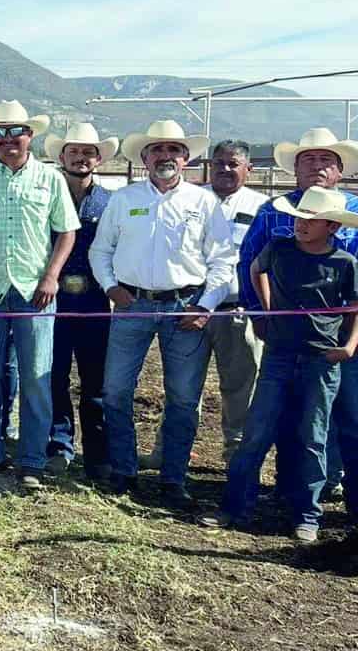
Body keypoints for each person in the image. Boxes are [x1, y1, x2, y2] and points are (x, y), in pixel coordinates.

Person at [90, 120, 234, 507]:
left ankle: (174, 479)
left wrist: (205, 305)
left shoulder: (204, 203)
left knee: (184, 398)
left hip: (184, 307)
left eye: (174, 150)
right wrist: (110, 286)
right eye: (158, 150)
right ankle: (124, 471)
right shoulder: (124, 200)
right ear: (144, 158)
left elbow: (223, 259)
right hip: (131, 305)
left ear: (186, 158)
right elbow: (100, 250)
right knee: (116, 391)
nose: (166, 157)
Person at [204, 187, 358, 543]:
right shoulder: (279, 248)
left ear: (332, 226)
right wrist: (268, 306)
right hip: (279, 355)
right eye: (298, 217)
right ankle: (234, 507)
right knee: (256, 432)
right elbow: (256, 267)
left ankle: (308, 515)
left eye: (310, 220)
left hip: (322, 359)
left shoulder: (345, 264)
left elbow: (353, 308)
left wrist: (349, 346)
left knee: (313, 437)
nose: (300, 224)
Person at [234, 127, 358, 514]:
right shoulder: (274, 211)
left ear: (339, 171)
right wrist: (262, 311)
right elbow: (250, 262)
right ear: (295, 169)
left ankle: (349, 499)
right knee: (288, 416)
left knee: (348, 418)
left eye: (326, 161)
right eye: (309, 159)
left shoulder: (354, 211)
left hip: (341, 336)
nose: (318, 166)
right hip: (287, 335)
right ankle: (289, 492)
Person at [0, 101, 76, 492]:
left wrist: (51, 276)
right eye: (0, 133)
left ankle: (32, 460)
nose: (8, 140)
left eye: (16, 132)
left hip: (35, 291)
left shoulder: (51, 179)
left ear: (30, 136)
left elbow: (66, 232)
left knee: (37, 377)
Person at [146, 140, 267, 467]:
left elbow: (267, 262)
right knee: (182, 387)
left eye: (233, 164)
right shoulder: (189, 198)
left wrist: (256, 304)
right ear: (208, 166)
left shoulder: (262, 207)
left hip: (235, 310)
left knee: (241, 388)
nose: (225, 170)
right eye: (219, 164)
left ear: (249, 169)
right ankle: (169, 453)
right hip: (189, 309)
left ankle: (237, 459)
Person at [40, 123, 118, 479]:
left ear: (98, 158)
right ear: (61, 156)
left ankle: (98, 451)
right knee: (53, 375)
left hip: (95, 301)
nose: (81, 157)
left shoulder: (111, 202)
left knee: (95, 379)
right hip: (51, 299)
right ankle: (59, 443)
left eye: (88, 152)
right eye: (74, 151)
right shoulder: (45, 196)